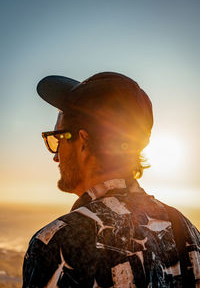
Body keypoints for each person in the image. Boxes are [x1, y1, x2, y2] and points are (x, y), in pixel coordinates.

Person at [23, 72, 200, 288]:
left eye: (58, 138)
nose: (55, 155)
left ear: (83, 142)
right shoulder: (186, 230)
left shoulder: (57, 243)